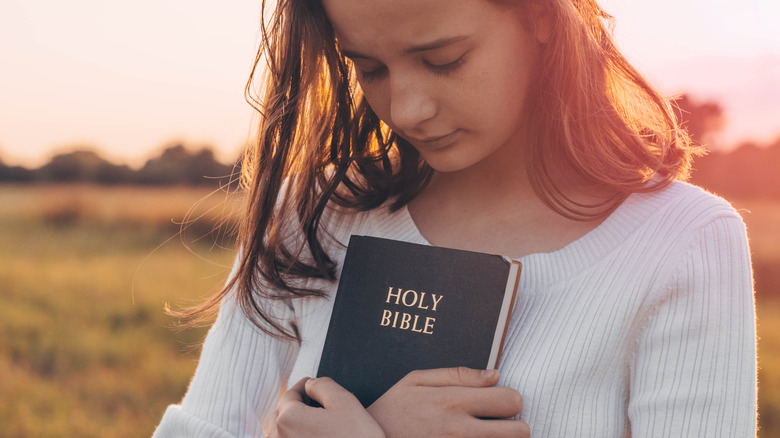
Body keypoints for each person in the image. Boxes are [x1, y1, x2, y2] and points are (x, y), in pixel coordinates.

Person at [153, 0, 757, 436]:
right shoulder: (310, 213)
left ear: (544, 17)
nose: (407, 109)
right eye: (371, 68)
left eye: (442, 59)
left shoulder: (683, 242)